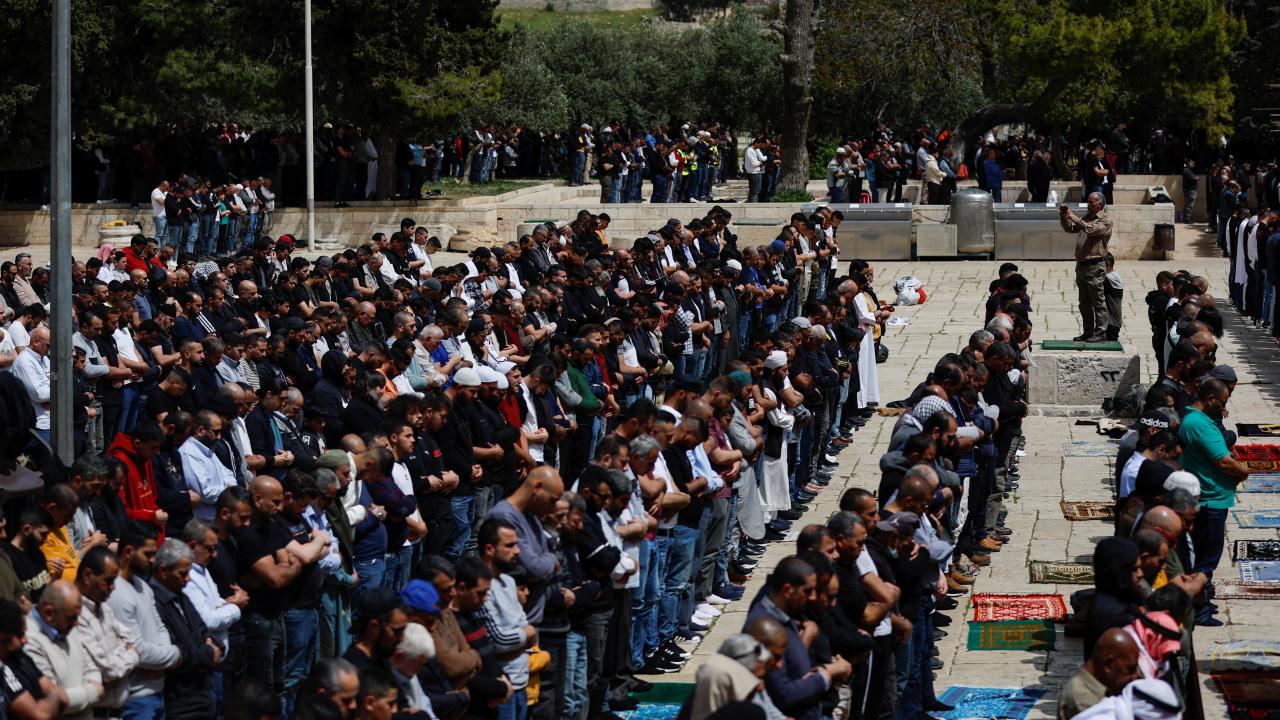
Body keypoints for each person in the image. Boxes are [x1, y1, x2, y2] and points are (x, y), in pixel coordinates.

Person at [1178, 378, 1249, 625]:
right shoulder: (1200, 424)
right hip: (1210, 500)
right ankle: (1199, 609)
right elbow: (1223, 462)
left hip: (1212, 497)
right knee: (1207, 558)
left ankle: (1203, 597)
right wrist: (1243, 472)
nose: (1224, 407)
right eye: (1223, 402)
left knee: (1203, 554)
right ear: (1210, 400)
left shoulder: (1199, 420)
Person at [23, 580, 103, 720]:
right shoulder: (28, 639)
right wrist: (93, 692)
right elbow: (53, 700)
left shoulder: (66, 625)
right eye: (72, 618)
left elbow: (91, 667)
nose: (77, 623)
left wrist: (77, 695)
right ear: (49, 612)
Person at [1060, 192, 1113, 342]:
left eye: (1091, 202)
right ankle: (1088, 331)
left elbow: (1091, 230)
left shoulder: (1105, 221)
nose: (1088, 205)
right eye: (1088, 202)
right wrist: (1064, 216)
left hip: (1095, 266)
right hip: (1082, 265)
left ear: (1100, 204)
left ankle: (1101, 332)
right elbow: (1070, 229)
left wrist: (1075, 218)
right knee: (1084, 303)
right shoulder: (1087, 218)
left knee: (1098, 301)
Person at [1058, 628, 1140, 720]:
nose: (1135, 676)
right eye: (1130, 669)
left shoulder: (1098, 689)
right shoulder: (1085, 700)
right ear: (1109, 664)